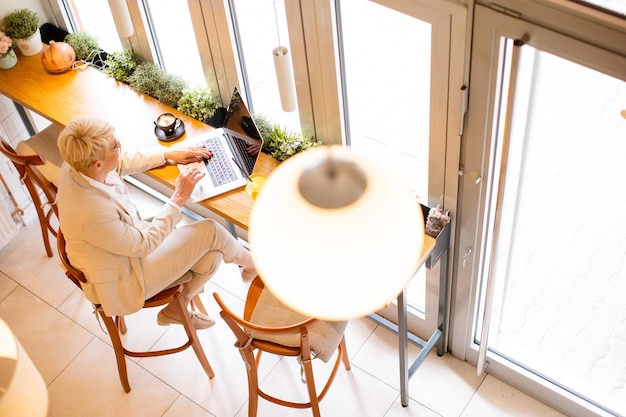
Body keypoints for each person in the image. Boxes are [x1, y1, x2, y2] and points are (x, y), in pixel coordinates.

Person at [56, 115, 258, 329]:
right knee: (211, 231)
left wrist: (168, 154)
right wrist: (179, 197)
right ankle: (253, 265)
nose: (120, 146)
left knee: (213, 254)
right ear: (97, 164)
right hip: (124, 278)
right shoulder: (92, 214)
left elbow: (119, 162)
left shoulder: (77, 164)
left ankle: (177, 309)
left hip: (123, 246)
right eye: (115, 146)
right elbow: (143, 245)